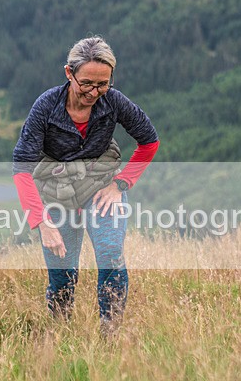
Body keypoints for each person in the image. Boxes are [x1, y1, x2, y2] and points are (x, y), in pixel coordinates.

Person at [12, 36, 160, 335]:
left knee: (110, 255)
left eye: (103, 84)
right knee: (62, 275)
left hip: (100, 188)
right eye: (87, 83)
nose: (94, 92)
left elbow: (149, 141)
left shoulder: (114, 101)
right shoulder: (46, 106)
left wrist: (120, 185)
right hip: (56, 194)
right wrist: (41, 222)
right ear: (69, 73)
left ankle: (111, 333)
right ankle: (61, 334)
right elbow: (22, 167)